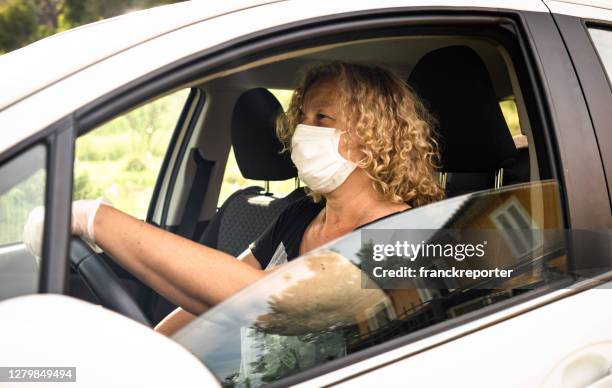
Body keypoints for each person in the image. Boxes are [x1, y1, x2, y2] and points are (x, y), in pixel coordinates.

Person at [24, 61, 444, 336]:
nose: (302, 131)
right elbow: (208, 298)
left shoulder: (403, 237)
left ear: (374, 135)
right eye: (302, 117)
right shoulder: (300, 212)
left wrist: (95, 218)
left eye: (322, 119)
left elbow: (268, 301)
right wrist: (156, 348)